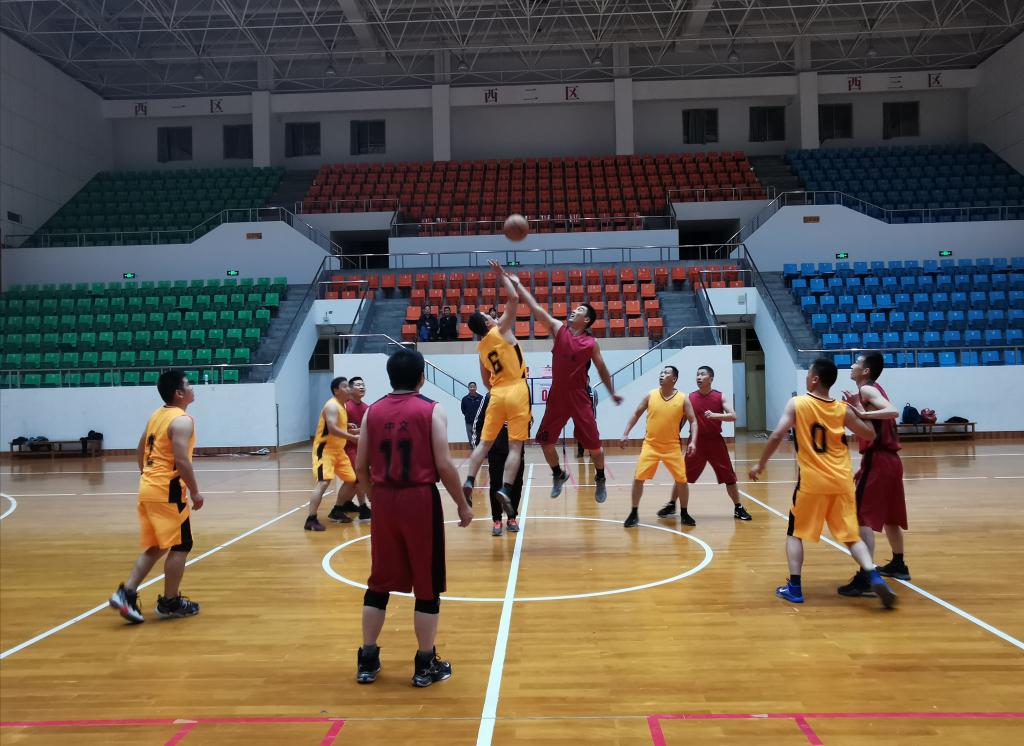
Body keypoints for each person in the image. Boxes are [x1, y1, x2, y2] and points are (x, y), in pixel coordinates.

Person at [354, 348, 473, 687]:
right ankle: (424, 664)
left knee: (378, 582)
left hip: (384, 499)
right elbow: (444, 464)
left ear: (390, 377)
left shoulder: (372, 411)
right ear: (422, 378)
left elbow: (360, 465)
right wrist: (462, 504)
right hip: (419, 500)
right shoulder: (432, 410)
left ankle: (367, 659)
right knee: (426, 584)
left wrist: (374, 497)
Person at [749, 357, 897, 609]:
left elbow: (776, 435)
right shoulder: (842, 408)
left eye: (809, 373)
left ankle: (794, 588)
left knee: (795, 533)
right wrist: (858, 407)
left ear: (815, 379)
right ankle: (872, 574)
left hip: (812, 481)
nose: (807, 377)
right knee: (851, 535)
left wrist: (760, 464)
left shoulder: (798, 403)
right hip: (841, 481)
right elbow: (870, 434)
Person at [505, 269, 623, 502]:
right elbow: (535, 309)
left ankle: (600, 478)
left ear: (586, 320)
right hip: (558, 395)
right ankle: (558, 474)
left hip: (580, 396)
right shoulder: (559, 329)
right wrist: (518, 285)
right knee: (545, 442)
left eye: (579, 310)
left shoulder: (591, 343)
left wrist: (612, 393)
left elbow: (602, 369)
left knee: (595, 447)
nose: (574, 310)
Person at [109, 369, 203, 624]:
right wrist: (195, 491)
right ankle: (170, 602)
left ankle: (126, 593)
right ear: (179, 393)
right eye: (189, 384)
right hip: (167, 490)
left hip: (149, 486)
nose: (193, 387)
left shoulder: (157, 415)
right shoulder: (182, 421)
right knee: (181, 544)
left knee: (159, 545)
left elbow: (141, 448)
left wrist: (147, 473)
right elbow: (182, 460)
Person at [461, 261, 531, 517]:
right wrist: (502, 276)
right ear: (487, 322)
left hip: (496, 392)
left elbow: (484, 380)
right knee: (515, 447)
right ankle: (506, 488)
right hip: (517, 389)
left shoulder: (481, 348)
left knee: (484, 443)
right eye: (488, 315)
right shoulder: (501, 329)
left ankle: (470, 480)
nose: (492, 315)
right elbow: (514, 299)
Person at [837, 351, 909, 597]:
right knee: (890, 516)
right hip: (889, 460)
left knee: (861, 518)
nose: (852, 365)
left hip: (879, 459)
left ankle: (866, 577)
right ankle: (898, 564)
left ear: (866, 371)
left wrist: (861, 413)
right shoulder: (871, 390)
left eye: (856, 363)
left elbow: (893, 411)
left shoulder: (867, 390)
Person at [658, 366, 752, 521]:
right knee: (682, 476)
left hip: (715, 442)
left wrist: (715, 415)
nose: (699, 377)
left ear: (711, 379)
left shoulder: (719, 396)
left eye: (702, 374)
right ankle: (672, 504)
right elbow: (682, 420)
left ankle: (738, 508)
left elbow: (733, 416)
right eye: (697, 375)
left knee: (729, 477)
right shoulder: (689, 398)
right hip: (696, 443)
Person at [619, 366, 698, 528]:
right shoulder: (651, 395)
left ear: (674, 379)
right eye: (661, 372)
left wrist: (693, 441)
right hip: (651, 445)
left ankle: (684, 513)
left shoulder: (683, 398)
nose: (662, 375)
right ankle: (633, 513)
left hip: (672, 447)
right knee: (638, 478)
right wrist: (625, 433)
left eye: (666, 373)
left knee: (682, 480)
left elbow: (693, 421)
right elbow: (636, 414)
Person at [308, 377, 359, 531]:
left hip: (338, 451)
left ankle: (337, 510)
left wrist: (349, 427)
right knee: (324, 482)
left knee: (352, 480)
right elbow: (332, 429)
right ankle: (311, 519)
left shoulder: (342, 405)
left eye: (349, 386)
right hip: (324, 450)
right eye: (345, 386)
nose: (349, 389)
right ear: (336, 390)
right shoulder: (331, 406)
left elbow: (337, 426)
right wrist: (352, 437)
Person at [472, 392, 525, 536]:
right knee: (496, 485)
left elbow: (529, 419)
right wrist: (479, 448)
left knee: (516, 485)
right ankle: (497, 519)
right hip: (495, 451)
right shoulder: (489, 396)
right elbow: (478, 422)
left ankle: (512, 518)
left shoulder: (520, 393)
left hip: (516, 450)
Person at [332, 376, 372, 521]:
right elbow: (336, 430)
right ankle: (359, 507)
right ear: (350, 388)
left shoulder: (367, 408)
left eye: (363, 385)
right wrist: (354, 432)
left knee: (358, 479)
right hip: (346, 449)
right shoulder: (344, 407)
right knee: (357, 478)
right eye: (358, 385)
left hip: (361, 448)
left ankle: (348, 504)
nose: (362, 387)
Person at [577, 381, 598, 458]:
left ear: (589, 381)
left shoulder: (593, 391)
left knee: (591, 436)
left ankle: (591, 452)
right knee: (580, 435)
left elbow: (596, 402)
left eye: (587, 380)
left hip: (591, 417)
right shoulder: (579, 391)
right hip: (580, 417)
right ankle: (580, 453)